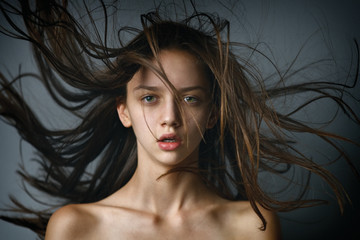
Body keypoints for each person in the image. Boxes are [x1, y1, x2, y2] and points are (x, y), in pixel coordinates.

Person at [0, 0, 358, 239]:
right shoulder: (76, 228)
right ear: (123, 111)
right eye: (150, 98)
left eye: (189, 99)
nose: (170, 118)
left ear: (214, 113)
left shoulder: (251, 227)